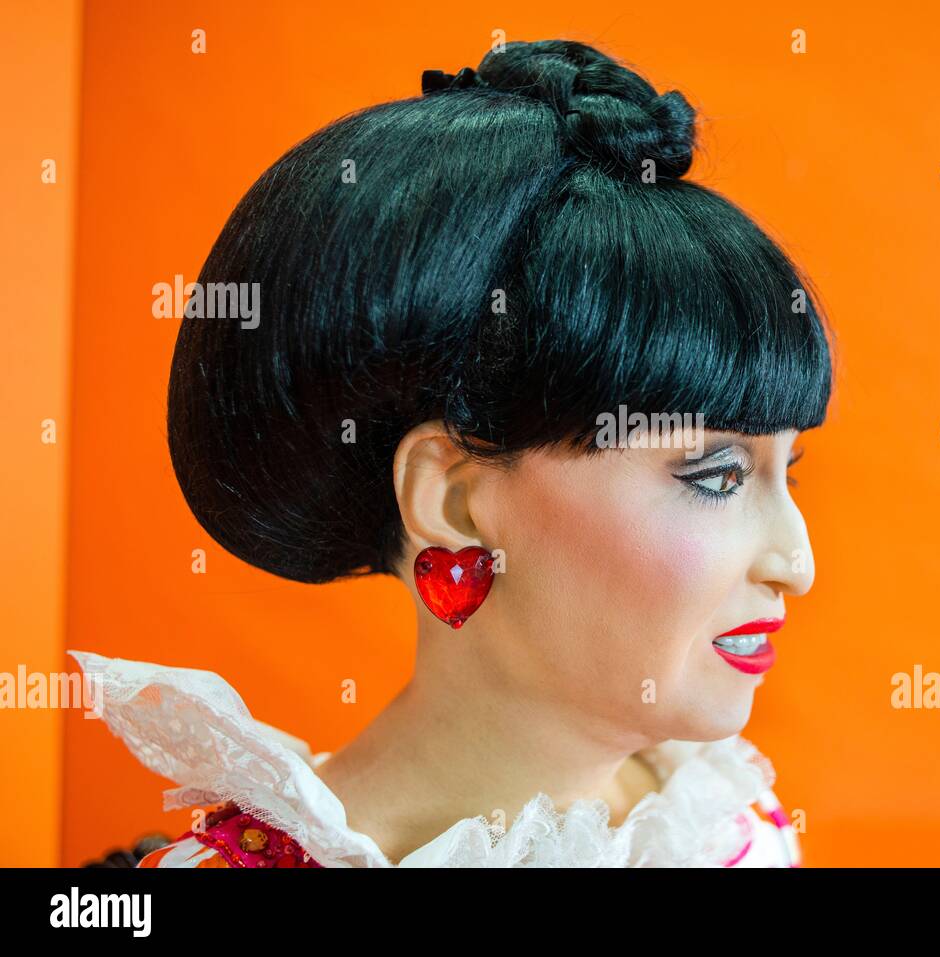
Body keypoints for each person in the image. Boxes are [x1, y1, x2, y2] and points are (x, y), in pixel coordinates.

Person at [71, 37, 833, 868]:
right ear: (455, 501)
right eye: (716, 474)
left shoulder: (713, 811)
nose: (797, 562)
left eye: (783, 471)